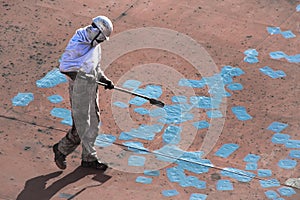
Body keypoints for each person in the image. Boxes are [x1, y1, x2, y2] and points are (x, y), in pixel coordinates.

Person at [52, 16, 114, 170]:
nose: (100, 42)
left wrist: (104, 79)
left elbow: (94, 66)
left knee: (93, 123)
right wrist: (83, 79)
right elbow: (65, 68)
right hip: (80, 90)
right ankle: (61, 149)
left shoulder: (94, 44)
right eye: (101, 39)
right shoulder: (77, 44)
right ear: (96, 32)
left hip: (91, 87)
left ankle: (89, 158)